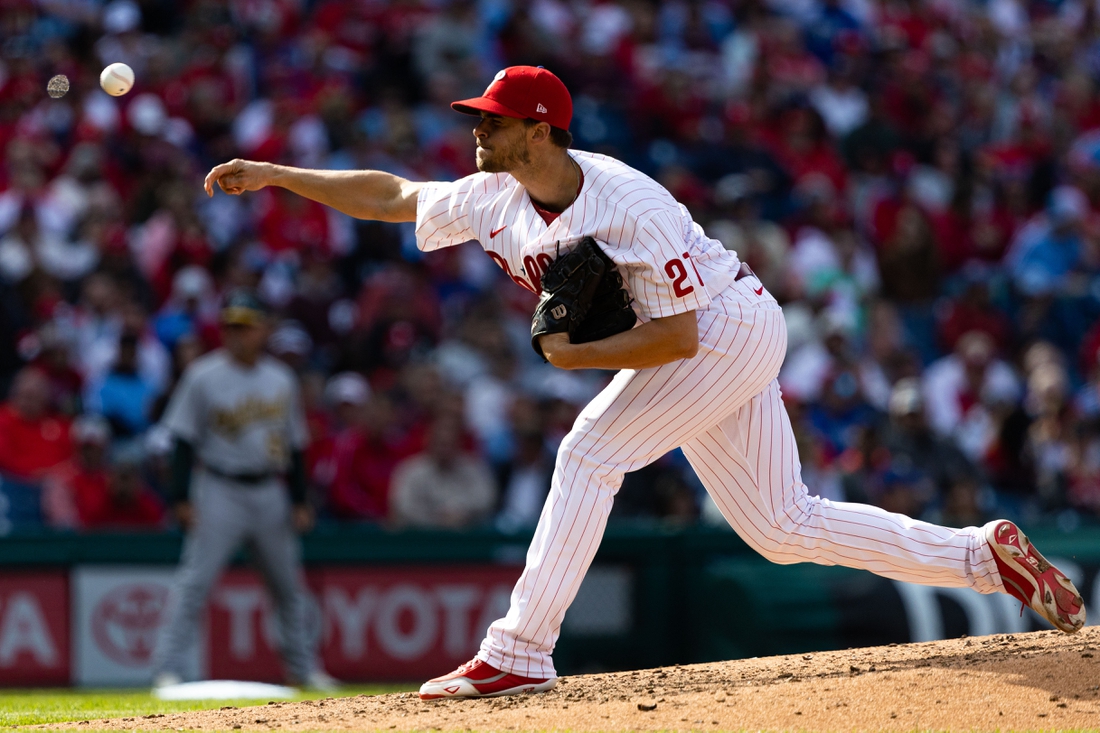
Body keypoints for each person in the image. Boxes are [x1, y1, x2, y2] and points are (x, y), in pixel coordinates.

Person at [203, 65, 1086, 700]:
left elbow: (678, 334)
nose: (477, 129)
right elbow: (393, 195)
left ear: (542, 130)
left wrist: (572, 359)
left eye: (494, 119)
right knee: (782, 527)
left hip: (727, 326)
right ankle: (984, 556)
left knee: (589, 450)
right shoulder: (492, 195)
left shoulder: (629, 202)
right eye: (480, 116)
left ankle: (519, 648)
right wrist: (280, 175)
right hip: (700, 337)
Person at [150, 289, 336, 691]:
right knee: (194, 583)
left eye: (246, 327)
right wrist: (181, 497)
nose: (238, 334)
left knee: (288, 586)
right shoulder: (203, 374)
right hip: (219, 487)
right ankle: (169, 668)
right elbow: (181, 440)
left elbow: (297, 445)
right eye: (232, 327)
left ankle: (304, 669)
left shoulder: (280, 378)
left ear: (263, 330)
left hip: (269, 489)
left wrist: (300, 499)